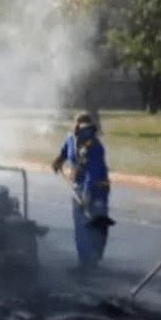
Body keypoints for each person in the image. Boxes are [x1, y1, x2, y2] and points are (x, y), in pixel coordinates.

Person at [52, 111, 111, 273]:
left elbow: (93, 174)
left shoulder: (95, 147)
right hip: (78, 187)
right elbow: (65, 153)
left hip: (98, 189)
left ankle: (95, 256)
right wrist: (58, 161)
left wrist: (86, 194)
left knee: (97, 221)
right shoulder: (70, 139)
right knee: (80, 226)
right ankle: (84, 262)